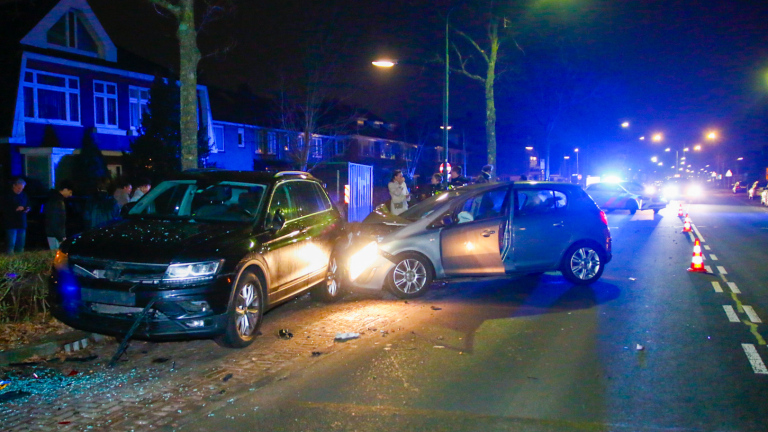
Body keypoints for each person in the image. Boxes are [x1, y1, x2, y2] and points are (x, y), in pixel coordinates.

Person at [45, 181, 74, 250]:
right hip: (55, 235)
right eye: (70, 192)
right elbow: (54, 221)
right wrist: (61, 237)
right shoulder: (57, 202)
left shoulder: (56, 200)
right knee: (58, 255)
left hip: (54, 234)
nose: (70, 195)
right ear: (65, 190)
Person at [3, 178, 30, 254]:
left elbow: (28, 204)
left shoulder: (24, 195)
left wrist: (27, 208)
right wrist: (15, 209)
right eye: (18, 188)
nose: (20, 190)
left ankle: (20, 262)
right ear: (14, 185)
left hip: (21, 223)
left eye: (22, 188)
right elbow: (4, 208)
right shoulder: (7, 195)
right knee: (11, 245)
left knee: (20, 245)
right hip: (11, 224)